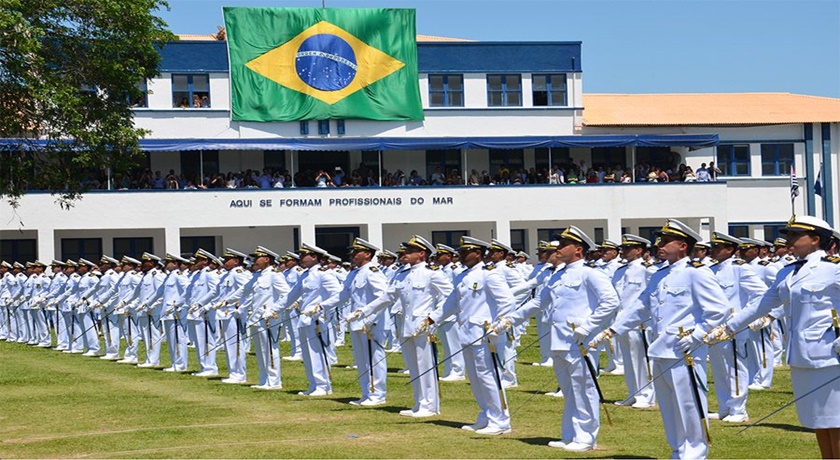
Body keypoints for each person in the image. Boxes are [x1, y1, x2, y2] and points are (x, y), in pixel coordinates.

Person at [591, 219, 729, 459]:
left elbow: (719, 310)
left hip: (685, 351)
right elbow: (641, 307)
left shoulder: (696, 274)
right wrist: (614, 330)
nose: (660, 246)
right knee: (669, 406)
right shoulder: (659, 275)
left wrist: (697, 335)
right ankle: (678, 449)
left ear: (683, 246)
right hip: (660, 348)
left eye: (666, 242)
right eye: (660, 241)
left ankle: (695, 453)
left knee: (689, 405)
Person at [706, 215, 840, 459]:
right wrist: (728, 328)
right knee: (818, 420)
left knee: (837, 420)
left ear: (815, 239)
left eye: (794, 236)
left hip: (831, 356)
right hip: (802, 356)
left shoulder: (833, 269)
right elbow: (761, 304)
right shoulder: (788, 272)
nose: (788, 240)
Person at [495, 226, 620, 452]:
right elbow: (539, 302)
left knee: (584, 389)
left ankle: (586, 438)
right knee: (569, 390)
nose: (558, 248)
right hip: (560, 340)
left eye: (564, 245)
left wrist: (588, 326)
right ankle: (571, 435)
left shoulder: (590, 273)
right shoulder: (557, 274)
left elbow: (611, 301)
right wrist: (510, 319)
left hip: (580, 341)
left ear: (579, 250)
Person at [419, 236, 516, 435]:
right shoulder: (463, 276)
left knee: (489, 377)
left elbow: (507, 302)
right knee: (475, 377)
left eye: (465, 252)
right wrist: (432, 318)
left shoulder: (489, 274)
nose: (460, 256)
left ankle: (500, 420)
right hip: (467, 333)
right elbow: (452, 303)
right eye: (460, 253)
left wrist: (498, 325)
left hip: (484, 333)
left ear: (478, 253)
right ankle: (486, 415)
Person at [351, 235, 453, 417]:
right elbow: (387, 297)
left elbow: (451, 297)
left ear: (422, 254)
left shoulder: (432, 273)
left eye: (410, 251)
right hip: (406, 326)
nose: (405, 254)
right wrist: (364, 311)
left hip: (422, 326)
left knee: (426, 366)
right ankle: (418, 403)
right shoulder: (404, 274)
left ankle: (430, 406)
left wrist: (433, 318)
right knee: (413, 367)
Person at [705, 232, 767, 423]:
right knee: (719, 369)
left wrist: (742, 318)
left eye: (717, 247)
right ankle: (725, 407)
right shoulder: (710, 269)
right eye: (712, 247)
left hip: (732, 328)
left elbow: (761, 294)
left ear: (730, 250)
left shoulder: (740, 269)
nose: (713, 251)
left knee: (735, 368)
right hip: (713, 327)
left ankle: (739, 410)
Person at [323, 238, 389, 405]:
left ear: (367, 254)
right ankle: (366, 393)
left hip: (371, 323)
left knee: (374, 359)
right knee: (361, 359)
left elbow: (384, 297)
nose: (352, 255)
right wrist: (322, 306)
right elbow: (343, 295)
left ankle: (377, 395)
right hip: (357, 322)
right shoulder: (354, 273)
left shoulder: (372, 272)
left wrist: (371, 319)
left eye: (355, 252)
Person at [285, 243, 342, 396]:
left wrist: (320, 307)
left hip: (317, 319)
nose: (301, 258)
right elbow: (291, 295)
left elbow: (338, 295)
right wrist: (274, 309)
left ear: (314, 257)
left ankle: (323, 386)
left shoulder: (324, 274)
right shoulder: (305, 275)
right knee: (308, 354)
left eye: (304, 255)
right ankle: (313, 384)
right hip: (304, 318)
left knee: (318, 352)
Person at [611, 234, 656, 408]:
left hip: (640, 322)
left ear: (639, 250)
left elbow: (652, 295)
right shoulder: (620, 271)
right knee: (628, 360)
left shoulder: (647, 269)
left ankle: (647, 395)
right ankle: (633, 393)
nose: (624, 251)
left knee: (642, 360)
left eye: (629, 248)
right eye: (624, 248)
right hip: (621, 321)